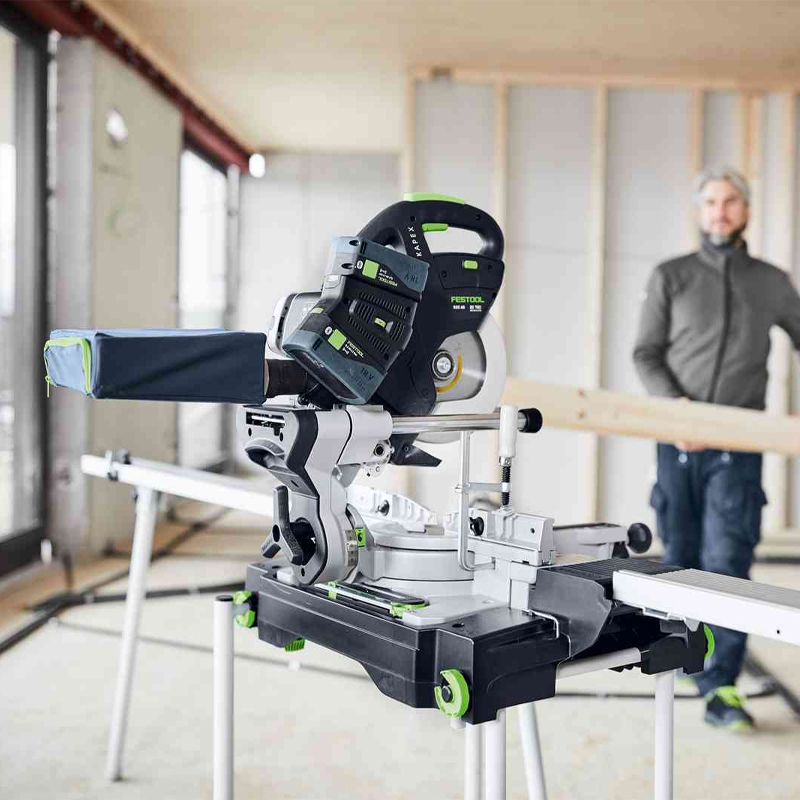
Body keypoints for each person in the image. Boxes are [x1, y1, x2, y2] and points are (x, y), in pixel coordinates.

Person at [632, 166, 800, 731]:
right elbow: (646, 353)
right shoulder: (672, 275)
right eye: (710, 202)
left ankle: (721, 685)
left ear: (745, 211)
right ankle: (689, 656)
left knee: (728, 562)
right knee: (681, 557)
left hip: (737, 445)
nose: (720, 211)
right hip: (677, 442)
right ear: (699, 211)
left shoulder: (772, 282)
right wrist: (675, 409)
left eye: (730, 202)